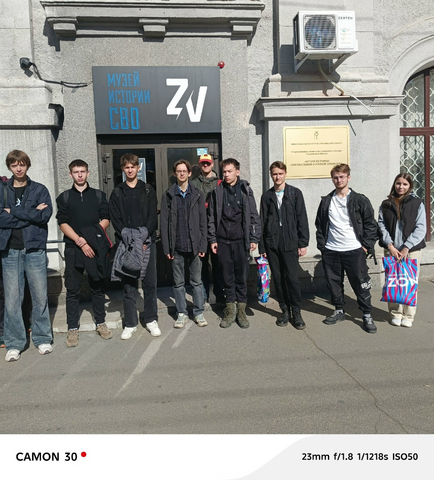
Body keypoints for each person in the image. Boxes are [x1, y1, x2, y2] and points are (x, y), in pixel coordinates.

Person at [0, 150, 53, 362]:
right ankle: (14, 343)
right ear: (9, 167)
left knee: (40, 296)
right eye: (14, 165)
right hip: (10, 250)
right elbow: (1, 219)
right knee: (12, 299)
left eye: (22, 164)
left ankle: (42, 338)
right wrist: (30, 214)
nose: (19, 168)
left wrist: (12, 212)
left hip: (34, 248)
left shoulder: (39, 189)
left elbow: (44, 216)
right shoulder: (3, 189)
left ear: (27, 165)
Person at [315, 163, 378, 334]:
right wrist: (323, 247)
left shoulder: (359, 200)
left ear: (348, 178)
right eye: (335, 177)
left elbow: (371, 224)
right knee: (334, 283)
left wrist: (365, 246)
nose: (339, 180)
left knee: (361, 283)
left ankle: (366, 314)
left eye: (342, 177)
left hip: (354, 249)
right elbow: (320, 225)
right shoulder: (327, 201)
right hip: (331, 250)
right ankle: (339, 310)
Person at [56, 159, 112, 347]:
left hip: (94, 248)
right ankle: (73, 328)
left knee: (98, 286)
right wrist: (80, 241)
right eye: (76, 172)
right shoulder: (64, 197)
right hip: (74, 248)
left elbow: (105, 219)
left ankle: (101, 323)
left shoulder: (98, 195)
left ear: (88, 173)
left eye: (82, 171)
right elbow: (62, 223)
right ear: (70, 174)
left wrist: (89, 240)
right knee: (73, 289)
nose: (79, 175)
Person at [109, 153, 161, 339]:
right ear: (123, 169)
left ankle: (151, 319)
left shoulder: (148, 190)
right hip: (126, 244)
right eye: (127, 167)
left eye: (133, 167)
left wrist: (143, 235)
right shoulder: (117, 192)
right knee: (129, 285)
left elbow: (153, 216)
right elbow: (115, 218)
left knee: (150, 283)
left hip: (147, 242)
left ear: (139, 168)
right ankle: (130, 323)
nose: (130, 170)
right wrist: (129, 236)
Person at [208, 158, 261, 329]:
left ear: (237, 172)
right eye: (224, 171)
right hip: (223, 242)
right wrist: (213, 239)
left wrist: (254, 238)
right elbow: (211, 218)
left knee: (241, 278)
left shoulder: (245, 190)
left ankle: (241, 311)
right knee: (227, 278)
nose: (226, 174)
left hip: (241, 242)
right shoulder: (217, 192)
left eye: (229, 171)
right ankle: (230, 310)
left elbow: (254, 215)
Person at [259, 161, 309, 329]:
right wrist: (262, 247)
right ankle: (284, 310)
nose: (277, 177)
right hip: (272, 243)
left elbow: (302, 219)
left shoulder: (295, 194)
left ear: (285, 174)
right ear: (271, 175)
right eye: (274, 174)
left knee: (292, 279)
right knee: (278, 279)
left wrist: (303, 242)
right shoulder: (267, 196)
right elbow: (262, 221)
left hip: (290, 241)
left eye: (280, 173)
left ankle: (297, 311)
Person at [161, 160, 208, 328]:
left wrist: (203, 245)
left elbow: (203, 221)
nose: (181, 173)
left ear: (189, 173)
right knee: (178, 283)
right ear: (175, 174)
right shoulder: (168, 195)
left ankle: (199, 312)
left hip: (194, 245)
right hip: (177, 246)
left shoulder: (197, 194)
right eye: (178, 171)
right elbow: (164, 223)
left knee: (196, 282)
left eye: (184, 171)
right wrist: (167, 247)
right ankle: (182, 313)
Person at [378, 172, 426, 327]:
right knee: (393, 281)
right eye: (398, 183)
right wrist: (390, 246)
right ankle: (395, 313)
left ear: (410, 186)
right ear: (394, 184)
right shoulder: (386, 204)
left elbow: (421, 228)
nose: (401, 187)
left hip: (411, 250)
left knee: (409, 282)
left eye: (405, 184)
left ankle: (408, 316)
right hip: (391, 249)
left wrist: (406, 247)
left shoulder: (417, 203)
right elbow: (381, 226)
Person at [190, 153, 224, 304]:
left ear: (212, 164)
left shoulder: (220, 183)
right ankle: (203, 295)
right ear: (199, 165)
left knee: (218, 264)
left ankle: (219, 294)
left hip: (216, 229)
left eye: (207, 163)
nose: (205, 166)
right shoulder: (193, 184)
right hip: (199, 230)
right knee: (201, 264)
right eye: (203, 163)